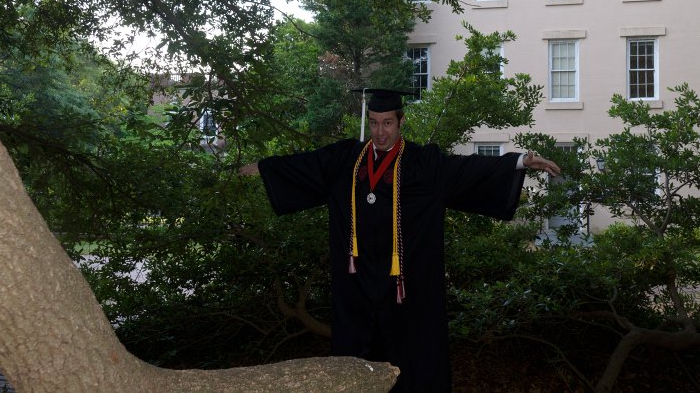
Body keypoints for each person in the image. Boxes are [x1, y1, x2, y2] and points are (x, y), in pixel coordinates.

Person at [239, 89, 560, 392]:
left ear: (401, 121)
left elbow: (465, 169)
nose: (380, 132)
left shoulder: (423, 164)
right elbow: (305, 165)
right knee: (357, 360)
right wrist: (263, 169)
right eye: (374, 123)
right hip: (358, 287)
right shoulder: (346, 159)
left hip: (406, 289)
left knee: (412, 361)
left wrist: (521, 161)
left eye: (388, 123)